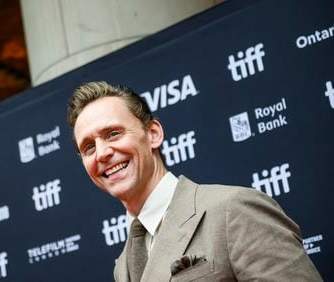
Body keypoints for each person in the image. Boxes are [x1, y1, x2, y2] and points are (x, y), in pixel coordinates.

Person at [66, 81, 322, 281]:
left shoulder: (233, 210)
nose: (102, 153)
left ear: (153, 134)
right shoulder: (123, 265)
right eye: (88, 147)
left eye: (113, 134)